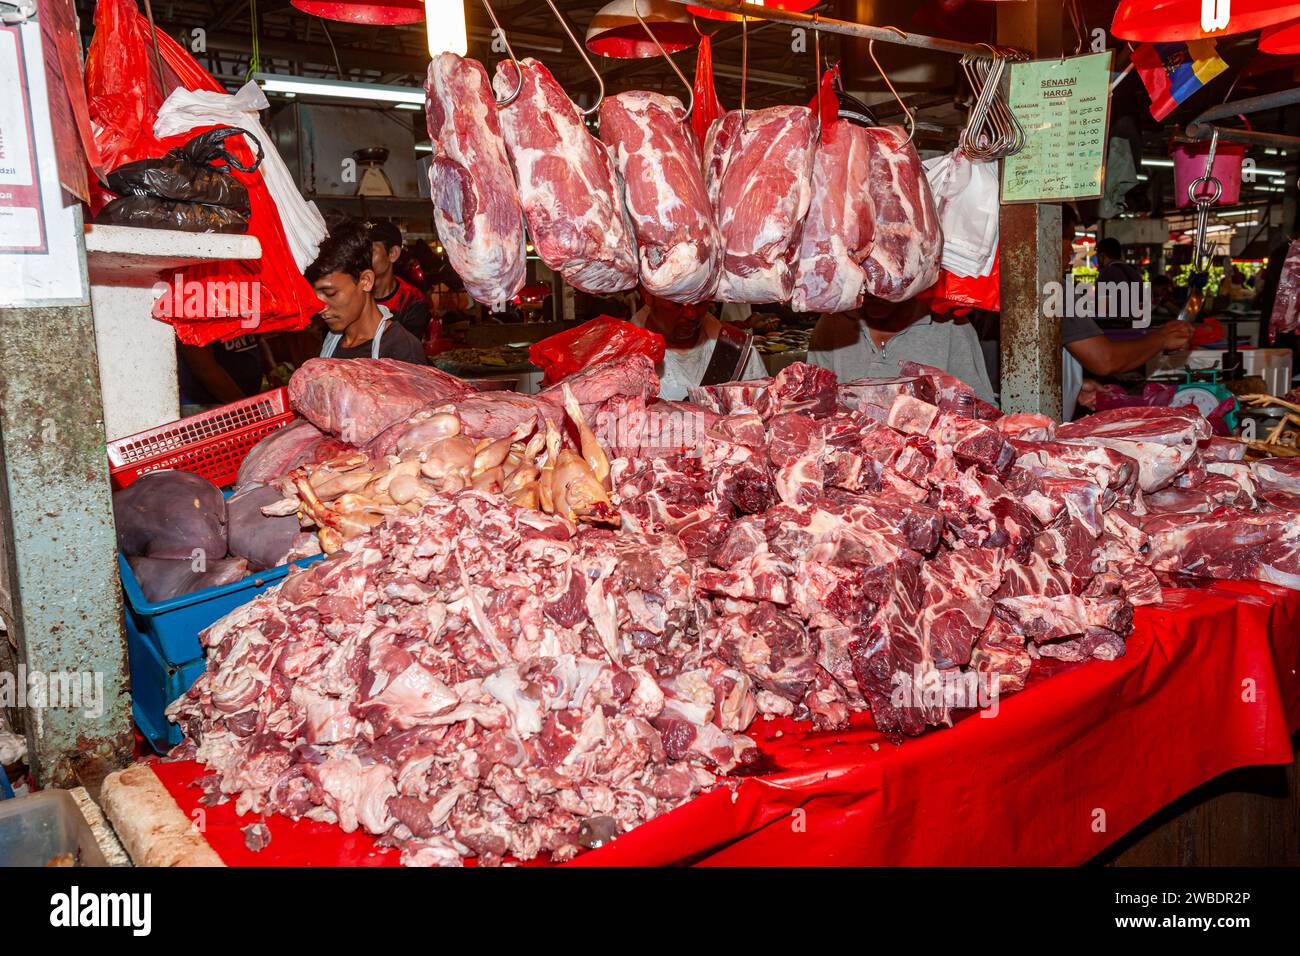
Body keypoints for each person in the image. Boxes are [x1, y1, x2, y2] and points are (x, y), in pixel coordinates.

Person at [1059, 206, 1192, 418]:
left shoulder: (1104, 275)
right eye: (1069, 239)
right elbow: (1105, 360)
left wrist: (1071, 385)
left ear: (1102, 257)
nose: (1072, 250)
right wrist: (1162, 338)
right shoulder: (1056, 289)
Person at [807, 297, 997, 405]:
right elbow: (815, 403)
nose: (875, 294)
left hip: (929, 464)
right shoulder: (834, 323)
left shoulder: (950, 327)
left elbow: (981, 411)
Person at [305, 220, 429, 364]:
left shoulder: (403, 351)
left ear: (366, 281)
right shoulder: (331, 341)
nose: (320, 306)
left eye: (330, 293)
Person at [629, 288, 767, 401]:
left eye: (700, 302)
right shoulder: (622, 353)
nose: (691, 314)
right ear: (648, 294)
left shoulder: (737, 349)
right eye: (678, 303)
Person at [366, 219, 434, 341]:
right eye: (359, 251)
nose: (361, 258)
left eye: (370, 251)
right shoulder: (351, 293)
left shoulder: (413, 301)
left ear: (393, 253)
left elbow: (402, 351)